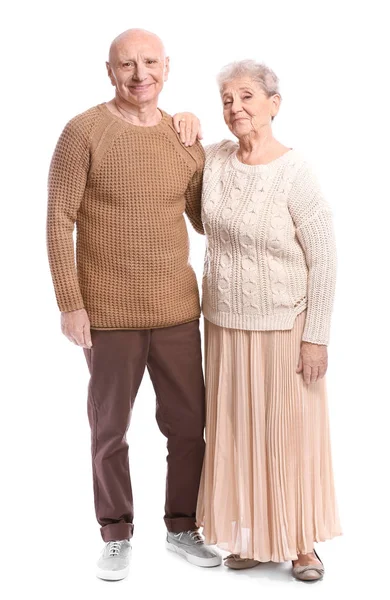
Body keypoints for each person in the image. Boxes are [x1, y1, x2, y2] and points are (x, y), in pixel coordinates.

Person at [46, 28, 221, 581]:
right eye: (127, 65)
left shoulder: (181, 136)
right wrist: (71, 303)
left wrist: (200, 141)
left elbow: (199, 217)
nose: (139, 73)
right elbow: (58, 220)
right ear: (110, 71)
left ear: (167, 67)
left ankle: (182, 526)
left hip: (175, 308)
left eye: (149, 62)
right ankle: (116, 533)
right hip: (108, 315)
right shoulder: (83, 132)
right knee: (109, 429)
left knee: (190, 426)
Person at [192, 60, 342, 581]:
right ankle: (255, 536)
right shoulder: (214, 160)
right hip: (226, 325)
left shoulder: (295, 171)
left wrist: (316, 338)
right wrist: (185, 120)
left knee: (288, 434)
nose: (236, 108)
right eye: (227, 100)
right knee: (238, 433)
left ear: (274, 104)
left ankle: (302, 545)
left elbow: (324, 257)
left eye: (248, 97)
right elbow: (179, 163)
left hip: (285, 325)